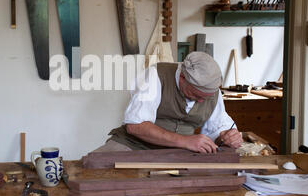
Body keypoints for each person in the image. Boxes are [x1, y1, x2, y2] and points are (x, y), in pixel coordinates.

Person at [93, 51, 243, 154]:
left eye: (206, 96)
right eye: (197, 95)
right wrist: (185, 141)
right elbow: (135, 126)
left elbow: (217, 128)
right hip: (134, 145)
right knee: (92, 171)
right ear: (182, 77)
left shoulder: (212, 91)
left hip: (180, 153)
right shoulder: (156, 75)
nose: (202, 101)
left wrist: (228, 136)